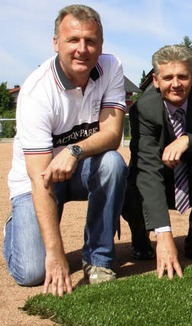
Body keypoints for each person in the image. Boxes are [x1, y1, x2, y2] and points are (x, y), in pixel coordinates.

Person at [4, 5, 128, 296]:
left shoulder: (112, 67)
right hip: (37, 181)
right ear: (56, 43)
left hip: (77, 169)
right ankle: (17, 228)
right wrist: (55, 253)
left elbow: (112, 135)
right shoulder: (37, 92)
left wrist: (73, 151)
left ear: (101, 45)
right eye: (73, 40)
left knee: (112, 164)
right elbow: (39, 178)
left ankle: (98, 259)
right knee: (31, 272)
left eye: (90, 41)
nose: (82, 49)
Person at [122, 44, 192, 278]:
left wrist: (188, 141)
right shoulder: (144, 108)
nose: (175, 83)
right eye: (168, 77)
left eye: (182, 76)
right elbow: (148, 169)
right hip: (155, 178)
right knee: (129, 183)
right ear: (156, 80)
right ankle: (141, 237)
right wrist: (164, 234)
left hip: (191, 179)